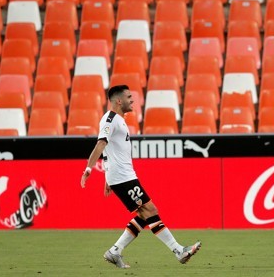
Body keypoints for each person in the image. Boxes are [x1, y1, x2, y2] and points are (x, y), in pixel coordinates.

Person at [80, 85, 201, 269]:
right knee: (150, 210)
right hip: (122, 177)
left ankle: (115, 251)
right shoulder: (110, 119)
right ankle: (179, 251)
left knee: (145, 214)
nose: (132, 100)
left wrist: (106, 177)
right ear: (119, 100)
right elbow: (101, 144)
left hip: (122, 176)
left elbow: (109, 150)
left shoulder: (119, 120)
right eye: (129, 97)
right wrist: (88, 170)